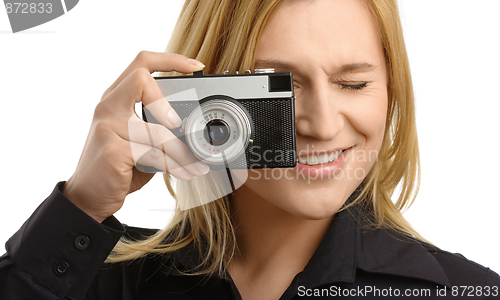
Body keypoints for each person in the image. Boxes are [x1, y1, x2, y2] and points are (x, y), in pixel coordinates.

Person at [1, 0, 499, 299]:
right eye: (277, 85)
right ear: (198, 92)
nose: (323, 126)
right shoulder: (104, 284)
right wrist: (81, 207)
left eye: (353, 84)